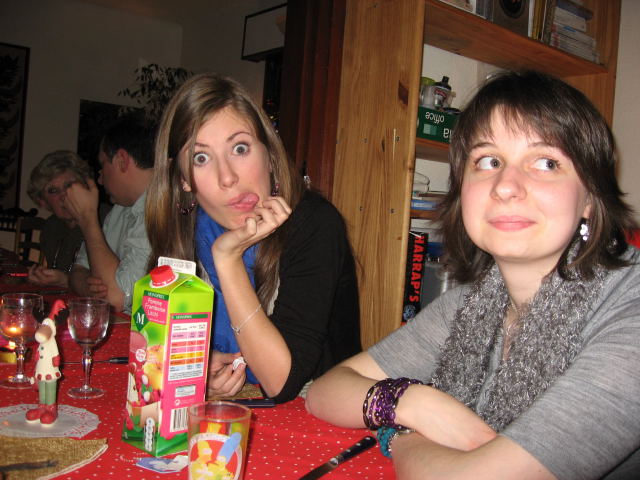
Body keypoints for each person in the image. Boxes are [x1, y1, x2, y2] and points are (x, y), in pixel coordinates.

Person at [306, 70, 640, 479]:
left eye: (546, 162)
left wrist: (400, 434)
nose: (506, 186)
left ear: (590, 197)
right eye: (488, 161)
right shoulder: (472, 303)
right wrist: (413, 402)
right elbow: (327, 390)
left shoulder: (630, 310)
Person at [145, 73, 361, 403]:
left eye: (240, 148)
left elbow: (281, 382)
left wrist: (228, 258)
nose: (227, 177)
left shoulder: (315, 223)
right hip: (228, 409)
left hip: (318, 408)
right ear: (184, 180)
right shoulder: (185, 231)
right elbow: (160, 351)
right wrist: (197, 370)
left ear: (270, 155)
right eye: (201, 158)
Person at [67, 115, 155, 313]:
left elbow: (115, 298)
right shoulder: (119, 210)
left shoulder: (161, 212)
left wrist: (87, 218)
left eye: (103, 164)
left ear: (122, 160)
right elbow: (78, 270)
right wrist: (90, 288)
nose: (100, 179)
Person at [26, 150, 95, 287]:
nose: (64, 195)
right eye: (53, 190)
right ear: (42, 202)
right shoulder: (51, 228)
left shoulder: (107, 220)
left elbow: (111, 287)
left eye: (70, 186)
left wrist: (67, 281)